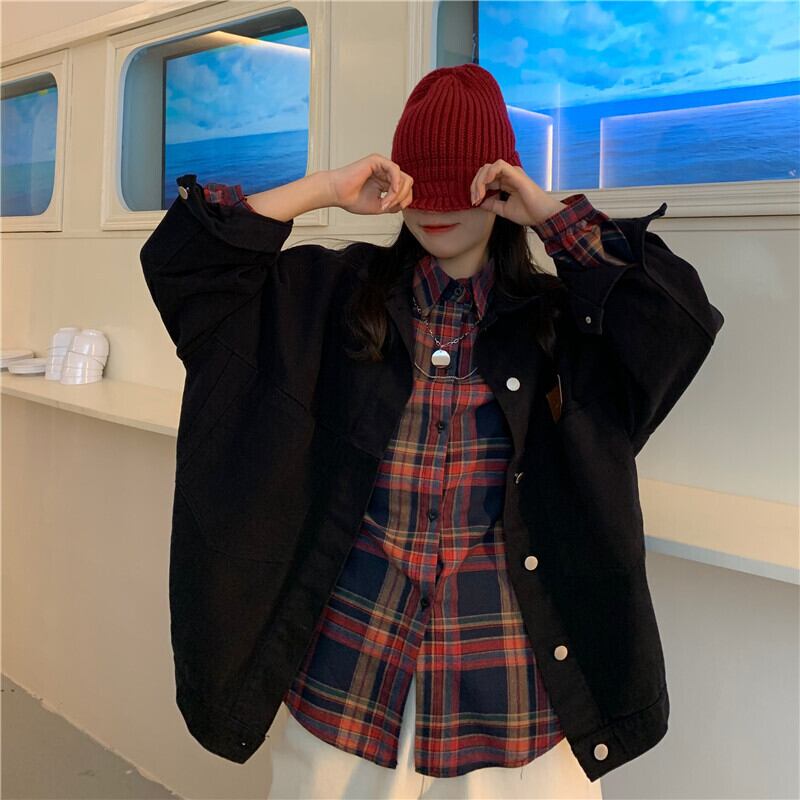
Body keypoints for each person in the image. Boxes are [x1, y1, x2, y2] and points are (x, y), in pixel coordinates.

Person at [142, 64, 723, 798]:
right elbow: (188, 268)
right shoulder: (327, 300)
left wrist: (549, 214)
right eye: (423, 184)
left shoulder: (559, 325)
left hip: (514, 688)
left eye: (463, 186)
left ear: (499, 186)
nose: (438, 207)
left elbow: (676, 321)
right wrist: (323, 189)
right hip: (347, 672)